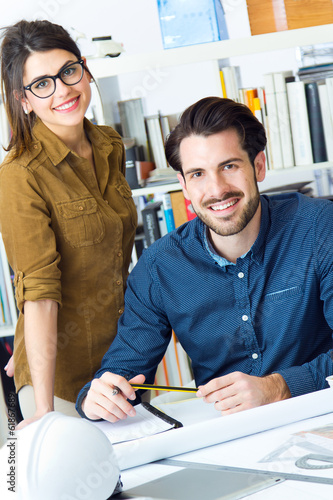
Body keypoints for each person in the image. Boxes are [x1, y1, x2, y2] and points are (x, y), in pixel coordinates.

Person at [76, 96, 333, 422]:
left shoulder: (320, 228)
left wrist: (278, 386)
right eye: (198, 174)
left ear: (258, 166)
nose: (217, 189)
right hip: (224, 438)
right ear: (183, 185)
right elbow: (125, 373)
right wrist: (96, 398)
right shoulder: (159, 267)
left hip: (321, 417)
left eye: (229, 166)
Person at [0, 20, 137, 428]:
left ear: (85, 70)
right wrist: (43, 410)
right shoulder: (19, 175)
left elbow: (116, 256)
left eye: (68, 72)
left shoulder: (110, 144)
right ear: (24, 101)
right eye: (41, 84)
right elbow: (39, 295)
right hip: (59, 384)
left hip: (120, 368)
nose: (62, 90)